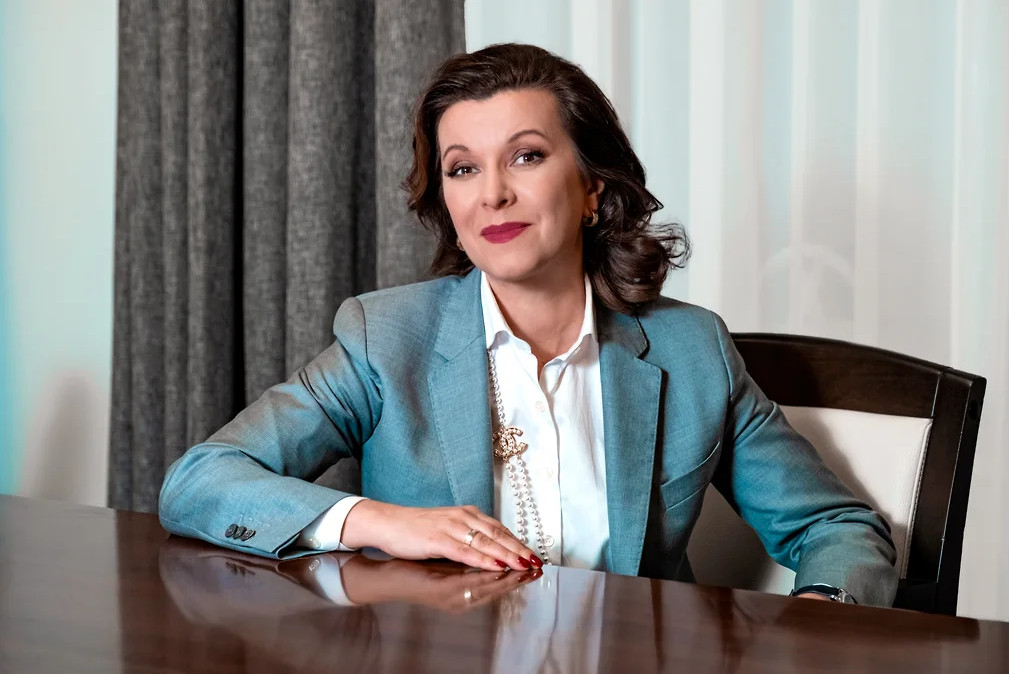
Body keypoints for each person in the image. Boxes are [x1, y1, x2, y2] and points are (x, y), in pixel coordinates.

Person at [159, 43, 898, 607]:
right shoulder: (385, 338)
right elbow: (201, 481)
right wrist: (380, 522)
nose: (493, 194)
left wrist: (818, 618)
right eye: (462, 168)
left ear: (592, 188)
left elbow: (836, 528)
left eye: (526, 156)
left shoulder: (692, 348)